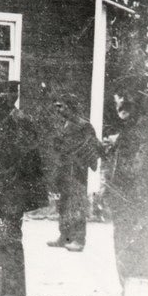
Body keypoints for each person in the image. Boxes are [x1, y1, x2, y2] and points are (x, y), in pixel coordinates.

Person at [0, 80, 47, 296]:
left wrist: (11, 187)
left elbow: (27, 160)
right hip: (0, 190)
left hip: (11, 191)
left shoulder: (18, 121)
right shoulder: (3, 120)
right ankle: (5, 291)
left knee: (10, 240)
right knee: (3, 240)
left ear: (3, 98)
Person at [103, 77, 148, 286]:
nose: (116, 105)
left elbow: (135, 169)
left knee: (132, 255)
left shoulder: (140, 131)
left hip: (133, 204)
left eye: (120, 100)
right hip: (134, 203)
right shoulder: (140, 126)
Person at [46, 92, 102, 252]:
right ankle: (65, 236)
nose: (57, 110)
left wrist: (82, 160)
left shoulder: (84, 125)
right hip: (63, 169)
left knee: (77, 204)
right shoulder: (64, 123)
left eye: (60, 106)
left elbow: (94, 146)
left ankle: (79, 239)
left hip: (77, 172)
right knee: (63, 204)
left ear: (70, 107)